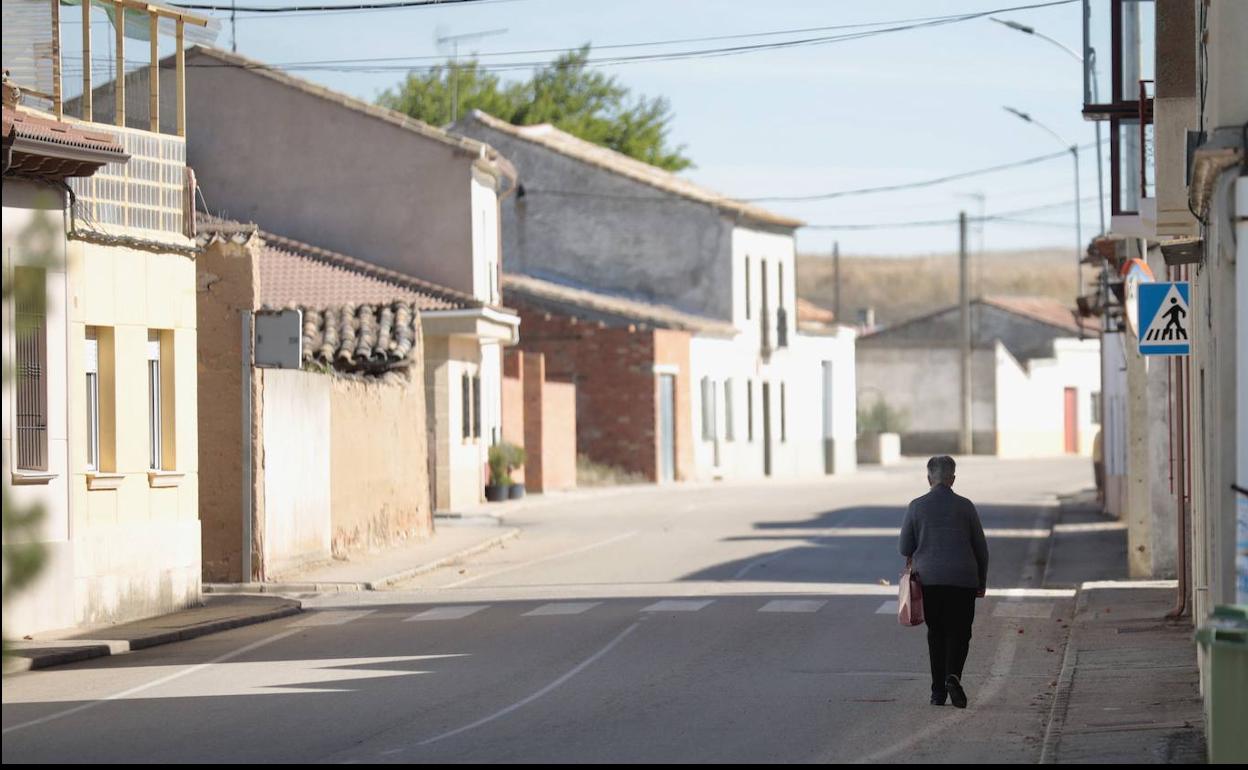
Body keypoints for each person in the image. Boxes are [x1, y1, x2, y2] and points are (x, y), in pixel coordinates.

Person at [899, 455, 989, 708]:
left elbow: (905, 546)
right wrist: (981, 581)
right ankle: (953, 677)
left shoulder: (917, 506)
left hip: (931, 581)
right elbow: (981, 549)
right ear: (953, 479)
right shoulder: (966, 506)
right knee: (960, 632)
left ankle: (937, 692)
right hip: (963, 579)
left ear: (929, 478)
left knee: (936, 633)